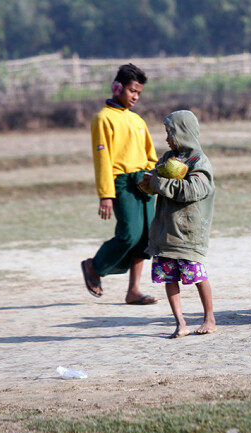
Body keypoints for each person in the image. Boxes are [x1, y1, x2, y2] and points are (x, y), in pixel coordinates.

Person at [81, 63, 159, 305]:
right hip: (122, 183)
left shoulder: (137, 120)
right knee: (128, 234)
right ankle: (95, 266)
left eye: (139, 93)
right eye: (132, 91)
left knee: (146, 238)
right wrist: (106, 194)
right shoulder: (102, 119)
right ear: (117, 87)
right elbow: (102, 159)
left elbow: (150, 155)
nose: (135, 96)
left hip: (144, 182)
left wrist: (154, 179)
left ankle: (134, 290)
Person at [143, 110, 216, 338]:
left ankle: (209, 319)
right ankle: (180, 323)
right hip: (166, 232)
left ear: (183, 133)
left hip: (187, 233)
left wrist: (159, 182)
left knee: (197, 276)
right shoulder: (167, 159)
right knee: (169, 278)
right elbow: (157, 181)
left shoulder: (199, 162)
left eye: (170, 133)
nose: (166, 138)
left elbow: (192, 190)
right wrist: (149, 182)